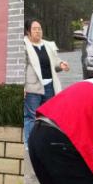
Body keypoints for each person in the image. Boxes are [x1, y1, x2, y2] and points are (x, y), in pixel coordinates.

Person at [23, 19, 69, 147]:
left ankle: (44, 141)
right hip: (32, 87)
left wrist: (61, 64)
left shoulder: (48, 45)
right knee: (31, 116)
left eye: (40, 28)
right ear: (28, 31)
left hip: (49, 86)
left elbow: (55, 61)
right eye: (35, 29)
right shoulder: (24, 45)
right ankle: (30, 143)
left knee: (47, 115)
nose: (38, 31)